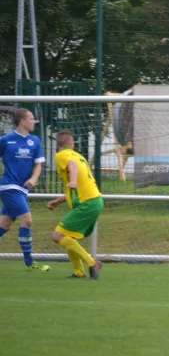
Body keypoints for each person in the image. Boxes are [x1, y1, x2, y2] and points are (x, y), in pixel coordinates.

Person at [47, 130, 103, 279]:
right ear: (72, 144)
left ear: (57, 145)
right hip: (95, 200)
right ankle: (78, 271)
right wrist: (58, 202)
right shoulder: (79, 156)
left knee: (57, 236)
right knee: (69, 237)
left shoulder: (61, 156)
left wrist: (72, 180)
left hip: (88, 203)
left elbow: (72, 167)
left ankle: (92, 263)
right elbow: (79, 185)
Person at [0, 108, 49, 271]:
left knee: (4, 225)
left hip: (22, 189)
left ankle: (29, 263)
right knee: (27, 220)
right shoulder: (6, 140)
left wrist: (34, 179)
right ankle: (29, 263)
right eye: (31, 118)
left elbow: (38, 164)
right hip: (9, 187)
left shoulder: (34, 141)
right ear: (22, 121)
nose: (34, 121)